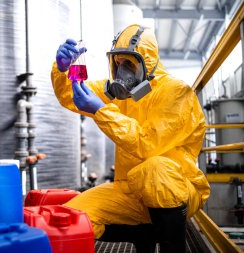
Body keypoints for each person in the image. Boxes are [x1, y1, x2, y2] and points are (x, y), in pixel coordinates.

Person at [51, 24, 210, 252]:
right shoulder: (122, 94)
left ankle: (172, 246)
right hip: (131, 190)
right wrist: (63, 69)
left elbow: (147, 144)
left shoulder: (176, 92)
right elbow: (71, 95)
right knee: (71, 217)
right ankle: (146, 233)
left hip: (177, 191)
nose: (122, 71)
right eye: (118, 64)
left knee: (155, 168)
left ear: (147, 61)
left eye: (129, 63)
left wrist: (100, 111)